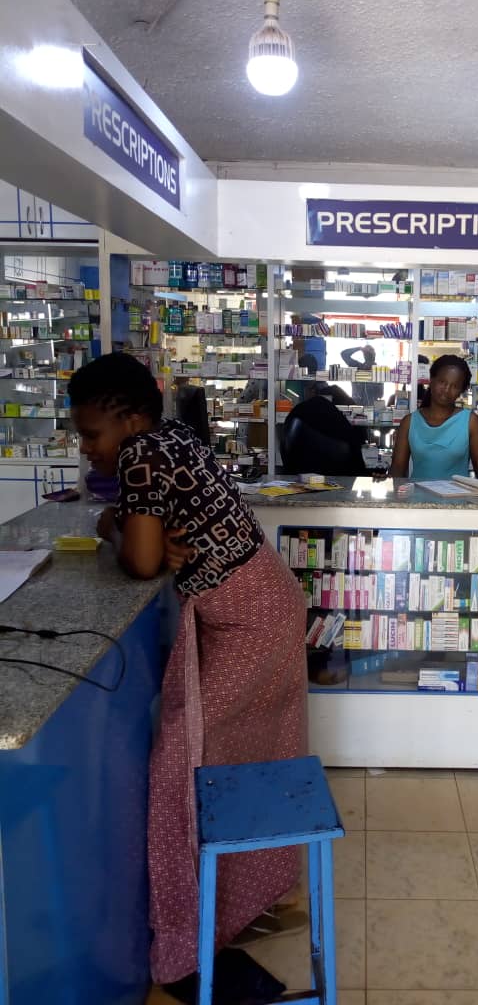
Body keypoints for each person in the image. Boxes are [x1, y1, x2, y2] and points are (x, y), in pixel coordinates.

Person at [68, 353, 307, 1005]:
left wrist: (123, 533)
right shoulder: (170, 438)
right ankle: (233, 903)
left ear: (130, 418)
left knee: (180, 773)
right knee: (229, 766)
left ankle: (182, 949)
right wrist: (119, 524)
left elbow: (144, 564)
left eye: (92, 433)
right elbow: (144, 545)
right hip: (263, 609)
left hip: (249, 625)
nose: (87, 448)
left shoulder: (143, 453)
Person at [388, 354, 478, 481]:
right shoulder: (409, 422)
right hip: (417, 498)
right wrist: (385, 481)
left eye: (454, 386)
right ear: (431, 380)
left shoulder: (470, 422)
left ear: (461, 391)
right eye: (442, 382)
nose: (446, 390)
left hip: (457, 499)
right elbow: (397, 470)